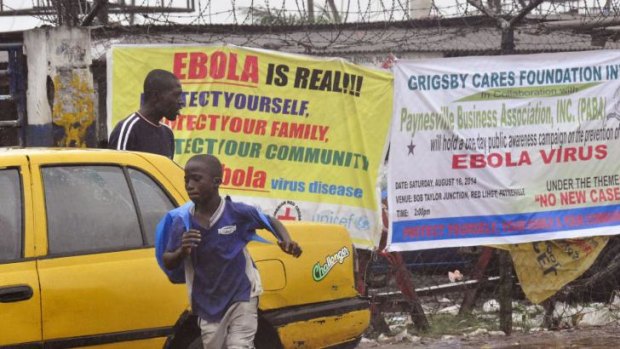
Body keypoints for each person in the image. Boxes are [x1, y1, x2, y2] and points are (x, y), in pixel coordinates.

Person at [162, 154, 302, 349]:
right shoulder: (182, 222)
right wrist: (182, 251)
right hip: (208, 304)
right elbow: (168, 260)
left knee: (240, 344)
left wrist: (286, 240)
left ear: (216, 182)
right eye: (187, 180)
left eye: (196, 179)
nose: (189, 185)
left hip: (242, 294)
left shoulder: (236, 213)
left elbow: (270, 220)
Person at [108, 69, 183, 159]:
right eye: (176, 95)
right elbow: (118, 170)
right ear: (156, 96)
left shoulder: (167, 133)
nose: (181, 102)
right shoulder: (128, 129)